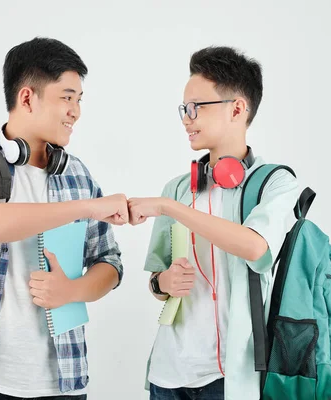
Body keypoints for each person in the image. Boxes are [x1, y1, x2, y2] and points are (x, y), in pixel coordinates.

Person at [0, 37, 127, 399]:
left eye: (79, 100)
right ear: (27, 98)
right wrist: (86, 207)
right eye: (67, 97)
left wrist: (73, 290)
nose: (76, 111)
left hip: (62, 383)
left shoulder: (78, 176)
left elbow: (110, 263)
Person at [128, 46, 300, 399]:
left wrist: (167, 208)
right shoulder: (176, 189)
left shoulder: (276, 183)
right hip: (169, 374)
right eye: (183, 109)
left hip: (233, 377)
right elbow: (156, 280)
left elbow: (256, 247)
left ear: (237, 108)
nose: (186, 119)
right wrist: (164, 281)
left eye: (195, 108)